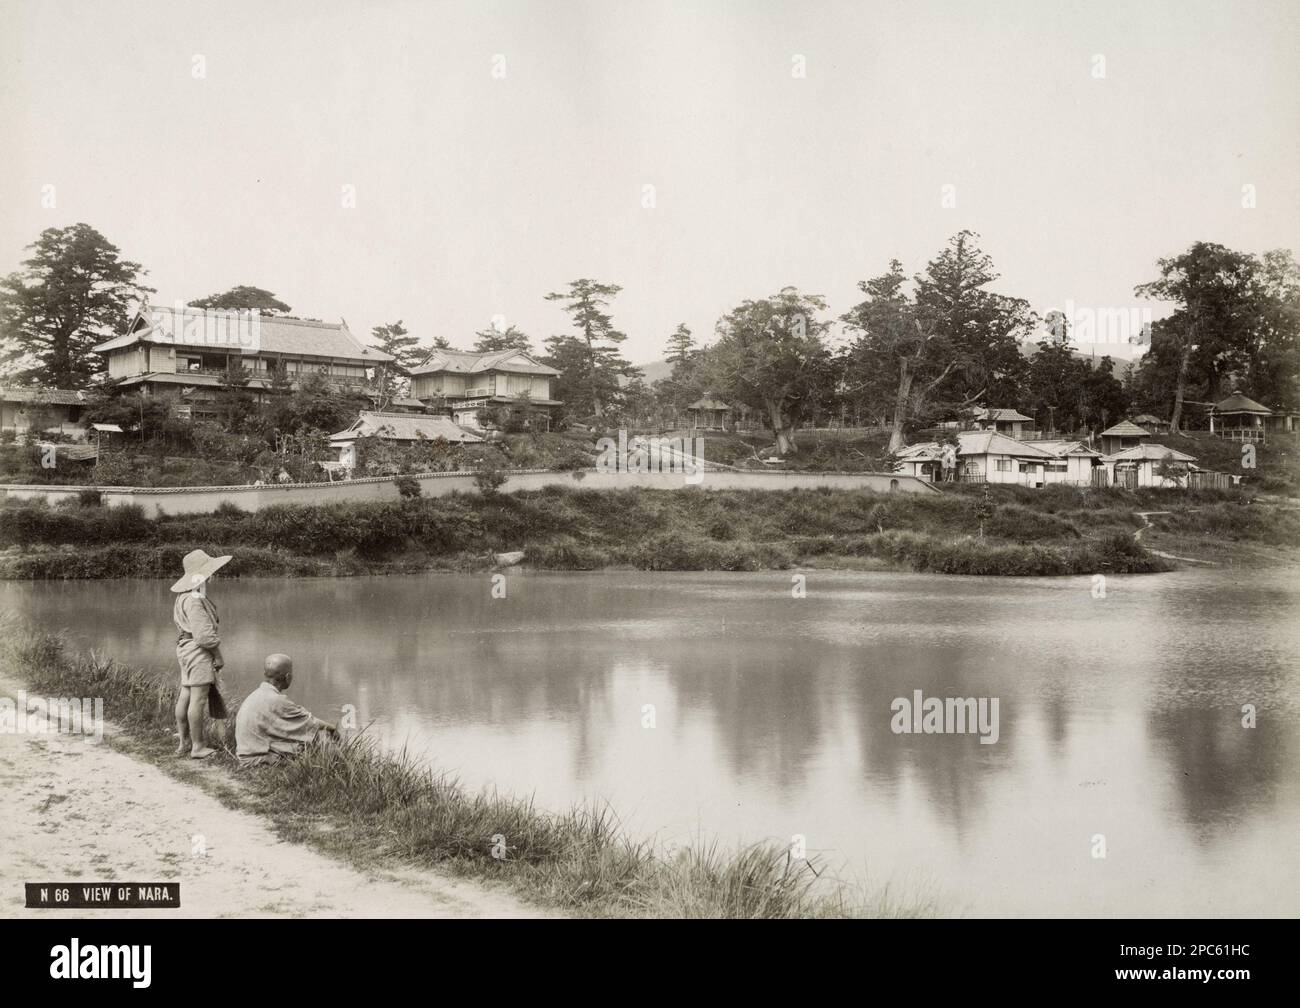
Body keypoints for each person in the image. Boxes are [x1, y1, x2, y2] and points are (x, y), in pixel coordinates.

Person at [170, 548, 232, 759]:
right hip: (198, 652)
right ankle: (197, 746)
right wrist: (218, 655)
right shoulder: (195, 599)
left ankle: (184, 741)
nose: (211, 575)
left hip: (185, 649)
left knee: (186, 694)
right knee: (198, 698)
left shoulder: (183, 597)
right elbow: (204, 636)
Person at [235, 654, 338, 768]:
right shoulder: (276, 700)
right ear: (288, 676)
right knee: (320, 736)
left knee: (302, 740)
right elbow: (310, 723)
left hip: (247, 756)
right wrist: (333, 728)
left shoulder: (256, 694)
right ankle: (335, 769)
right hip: (257, 760)